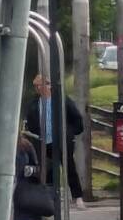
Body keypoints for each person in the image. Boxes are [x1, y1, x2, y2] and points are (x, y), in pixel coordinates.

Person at [24, 74, 86, 208]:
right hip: (43, 142)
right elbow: (30, 122)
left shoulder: (61, 100)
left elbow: (76, 118)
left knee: (69, 167)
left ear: (49, 85)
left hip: (62, 141)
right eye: (37, 86)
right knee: (48, 170)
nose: (39, 88)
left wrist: (70, 133)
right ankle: (51, 197)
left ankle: (77, 196)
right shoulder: (34, 104)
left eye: (42, 84)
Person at [12, 134, 42, 220]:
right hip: (3, 189)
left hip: (22, 188)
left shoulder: (25, 146)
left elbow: (37, 167)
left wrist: (30, 170)